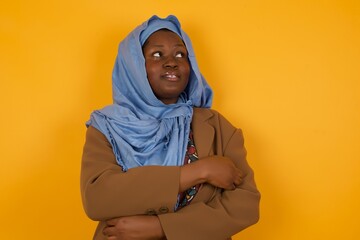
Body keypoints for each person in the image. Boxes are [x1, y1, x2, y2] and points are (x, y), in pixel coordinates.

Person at [81, 15, 260, 240]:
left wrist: (160, 227)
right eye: (157, 54)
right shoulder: (106, 126)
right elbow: (98, 199)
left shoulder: (217, 127)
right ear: (134, 65)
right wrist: (198, 171)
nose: (171, 61)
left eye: (180, 54)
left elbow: (246, 205)